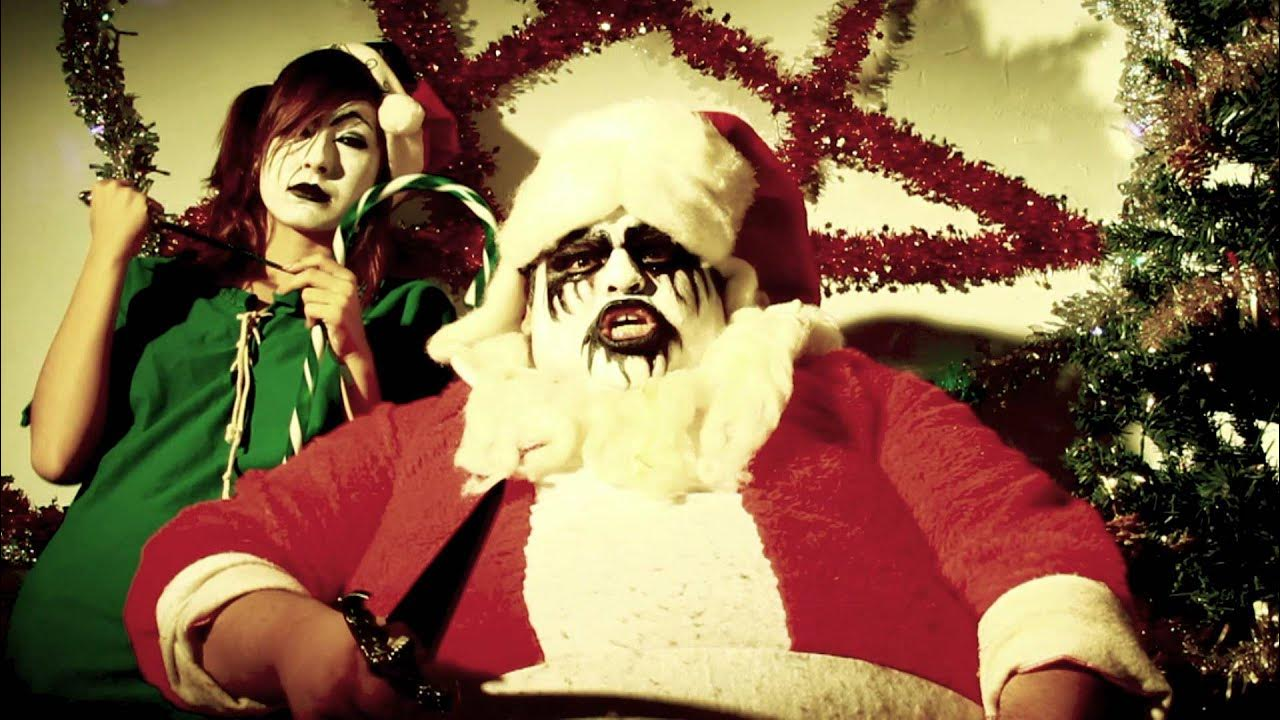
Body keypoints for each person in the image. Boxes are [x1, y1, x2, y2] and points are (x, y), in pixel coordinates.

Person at [124, 100, 1173, 719]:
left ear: (728, 286)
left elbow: (1032, 557)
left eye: (661, 251)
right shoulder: (433, 434)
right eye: (582, 256)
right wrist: (297, 648)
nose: (623, 276)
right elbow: (208, 554)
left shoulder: (849, 396)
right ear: (526, 299)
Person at [6, 43, 463, 712]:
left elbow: (402, 519)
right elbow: (54, 455)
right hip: (71, 637)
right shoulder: (157, 288)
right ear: (257, 149)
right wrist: (106, 255)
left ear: (386, 175)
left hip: (246, 657)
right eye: (299, 130)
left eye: (352, 140)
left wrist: (355, 354)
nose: (319, 159)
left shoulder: (406, 314)